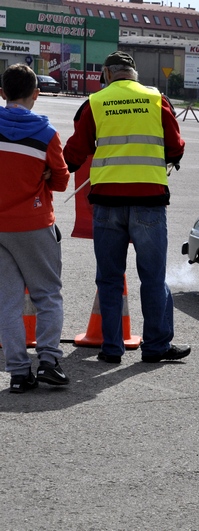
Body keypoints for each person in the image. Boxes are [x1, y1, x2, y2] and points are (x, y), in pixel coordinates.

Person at [64, 51, 189, 364]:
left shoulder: (95, 102)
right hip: (149, 201)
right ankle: (156, 346)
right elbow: (176, 147)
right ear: (134, 74)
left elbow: (74, 153)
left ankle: (111, 349)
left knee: (109, 278)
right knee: (153, 278)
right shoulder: (156, 99)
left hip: (107, 203)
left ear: (107, 74)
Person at [0, 64, 70, 392]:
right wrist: (46, 175)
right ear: (36, 94)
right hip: (34, 223)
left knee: (8, 302)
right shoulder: (46, 133)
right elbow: (62, 180)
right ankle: (49, 362)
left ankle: (18, 373)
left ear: (3, 93)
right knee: (47, 294)